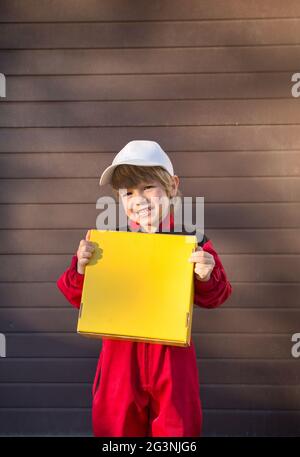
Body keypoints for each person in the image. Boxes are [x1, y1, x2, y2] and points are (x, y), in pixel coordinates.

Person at [57, 140, 232, 437]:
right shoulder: (106, 242)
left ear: (173, 186)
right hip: (120, 361)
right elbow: (75, 295)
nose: (138, 199)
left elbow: (218, 295)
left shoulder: (193, 240)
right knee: (116, 430)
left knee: (178, 430)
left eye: (148, 187)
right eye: (127, 192)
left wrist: (206, 274)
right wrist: (81, 268)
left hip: (173, 359)